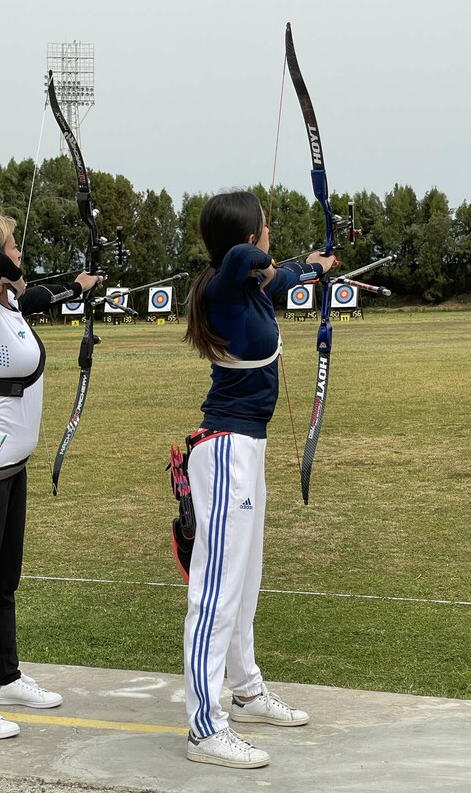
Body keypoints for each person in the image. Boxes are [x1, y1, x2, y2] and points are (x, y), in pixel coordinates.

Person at [182, 190, 336, 769]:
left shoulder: (248, 287)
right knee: (215, 591)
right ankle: (204, 728)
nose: (269, 237)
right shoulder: (224, 284)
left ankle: (245, 691)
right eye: (265, 228)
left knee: (245, 582)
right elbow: (247, 264)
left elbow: (273, 278)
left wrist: (316, 268)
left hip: (249, 449)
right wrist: (282, 263)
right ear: (249, 238)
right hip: (225, 454)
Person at [0, 211, 102, 740]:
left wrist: (75, 286)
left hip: (10, 466)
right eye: (14, 247)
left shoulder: (5, 308)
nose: (20, 253)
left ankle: (4, 678)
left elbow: (31, 300)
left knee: (3, 581)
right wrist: (0, 256)